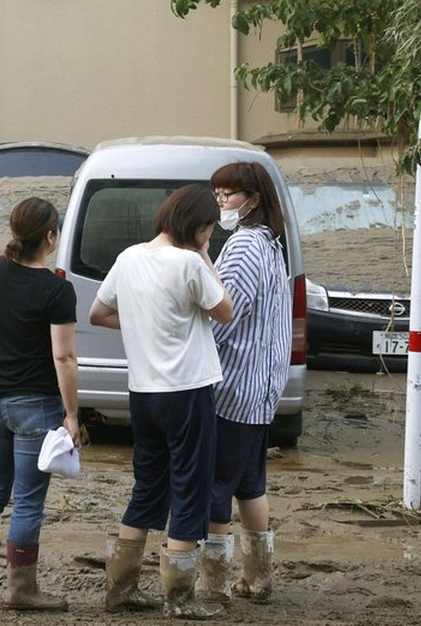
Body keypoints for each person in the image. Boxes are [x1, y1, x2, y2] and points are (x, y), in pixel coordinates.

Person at [89, 183, 233, 620]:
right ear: (200, 226)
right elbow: (225, 309)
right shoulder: (190, 262)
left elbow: (97, 313)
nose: (210, 234)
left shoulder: (128, 257)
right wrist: (206, 255)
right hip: (187, 390)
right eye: (210, 228)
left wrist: (139, 326)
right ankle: (179, 598)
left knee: (148, 485)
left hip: (143, 392)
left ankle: (121, 589)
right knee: (190, 487)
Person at [0, 196, 80, 612]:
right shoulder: (56, 290)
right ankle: (20, 590)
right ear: (49, 237)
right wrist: (73, 414)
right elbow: (63, 357)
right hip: (35, 406)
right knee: (27, 499)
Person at [197, 162, 292, 604]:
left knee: (217, 486)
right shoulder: (273, 245)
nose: (221, 202)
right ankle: (258, 577)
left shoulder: (243, 247)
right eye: (217, 194)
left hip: (232, 389)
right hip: (262, 388)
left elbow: (223, 315)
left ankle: (212, 583)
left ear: (253, 198)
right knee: (250, 483)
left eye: (229, 195)